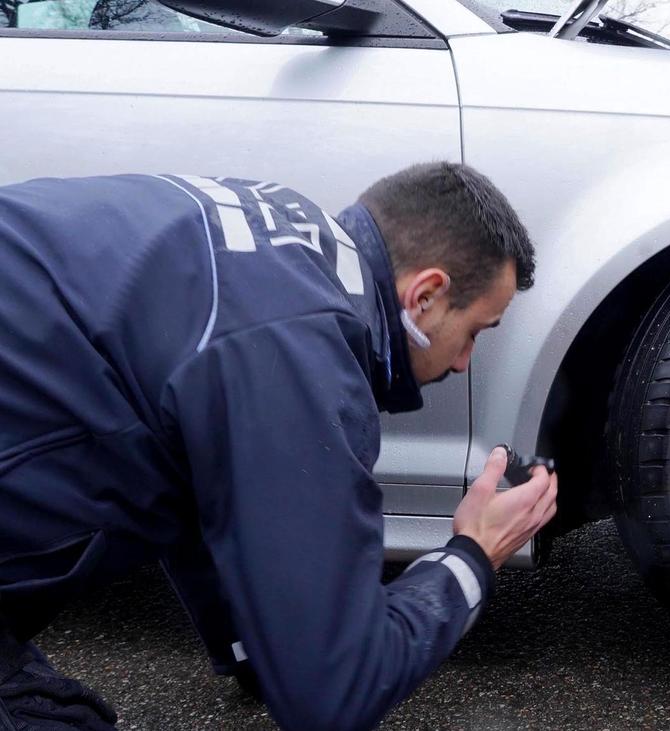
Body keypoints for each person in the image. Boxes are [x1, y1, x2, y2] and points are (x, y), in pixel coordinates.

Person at [0, 162, 558, 730]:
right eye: (475, 332)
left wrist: (271, 649)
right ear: (426, 297)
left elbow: (203, 484)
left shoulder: (275, 245)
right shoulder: (299, 351)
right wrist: (474, 554)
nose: (465, 362)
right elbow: (336, 696)